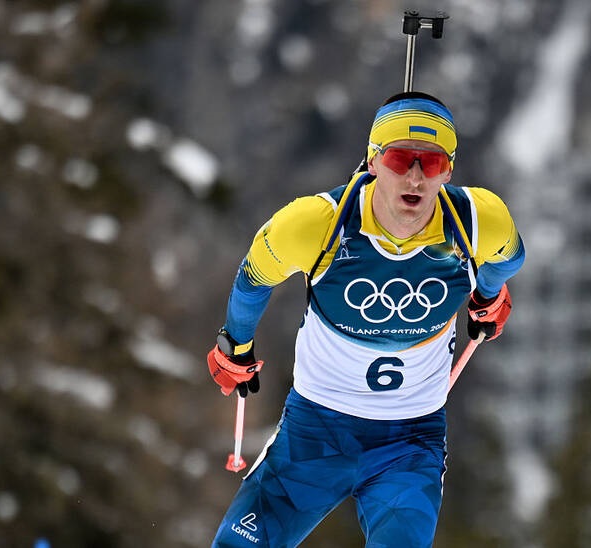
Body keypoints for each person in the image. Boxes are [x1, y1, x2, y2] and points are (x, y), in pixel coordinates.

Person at [207, 91, 525, 547]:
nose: (415, 177)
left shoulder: (476, 222)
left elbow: (510, 258)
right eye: (400, 159)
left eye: (431, 163)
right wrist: (236, 344)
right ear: (373, 161)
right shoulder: (317, 223)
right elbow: (253, 278)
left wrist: (486, 296)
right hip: (314, 432)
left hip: (409, 442)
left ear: (449, 170)